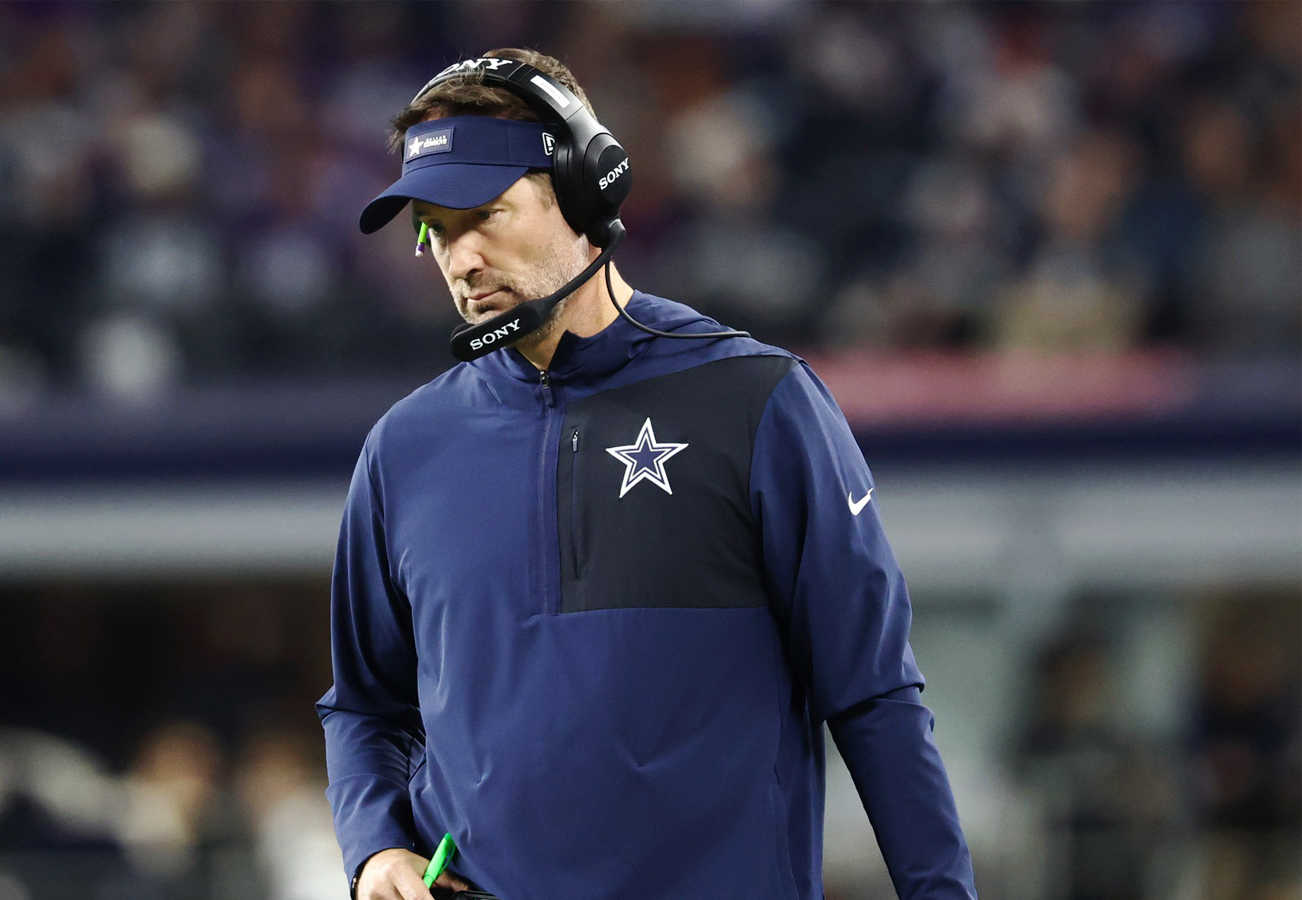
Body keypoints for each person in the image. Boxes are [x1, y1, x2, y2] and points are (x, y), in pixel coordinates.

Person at [316, 48, 977, 900]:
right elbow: (366, 707)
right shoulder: (404, 448)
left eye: (484, 215)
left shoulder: (758, 402)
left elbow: (874, 695)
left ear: (587, 190)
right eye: (436, 232)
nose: (460, 259)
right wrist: (374, 846)